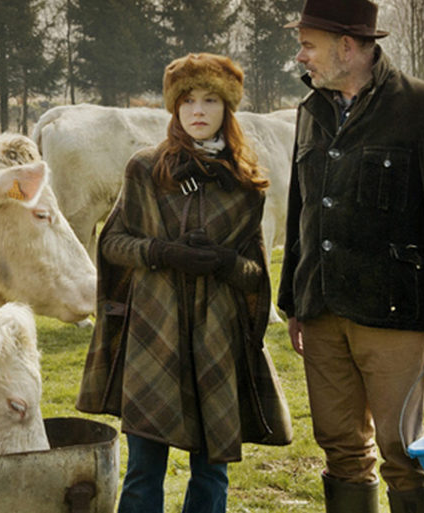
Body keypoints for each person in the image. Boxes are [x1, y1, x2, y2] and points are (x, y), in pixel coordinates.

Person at [278, 0, 424, 512]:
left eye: (308, 45)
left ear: (347, 46)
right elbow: (301, 212)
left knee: (401, 450)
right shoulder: (312, 110)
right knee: (340, 445)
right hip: (321, 309)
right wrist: (293, 301)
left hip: (393, 310)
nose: (301, 56)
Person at [77, 53, 292, 513]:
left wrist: (224, 261)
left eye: (210, 100)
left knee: (212, 473)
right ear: (174, 108)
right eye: (188, 100)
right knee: (143, 471)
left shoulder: (245, 184)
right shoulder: (145, 169)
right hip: (153, 339)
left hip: (217, 339)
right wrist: (160, 252)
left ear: (226, 108)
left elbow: (256, 272)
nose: (198, 110)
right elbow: (112, 242)